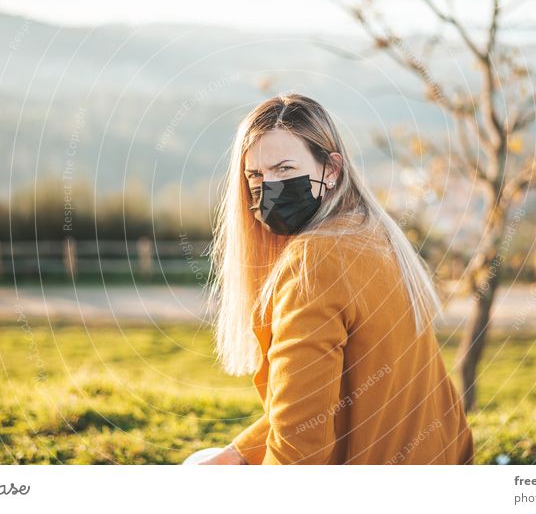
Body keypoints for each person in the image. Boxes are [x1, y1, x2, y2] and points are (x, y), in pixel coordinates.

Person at [196, 93, 473, 465]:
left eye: (284, 169)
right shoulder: (370, 231)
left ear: (331, 169)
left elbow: (299, 453)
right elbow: (326, 403)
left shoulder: (314, 260)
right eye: (255, 175)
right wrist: (238, 454)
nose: (269, 186)